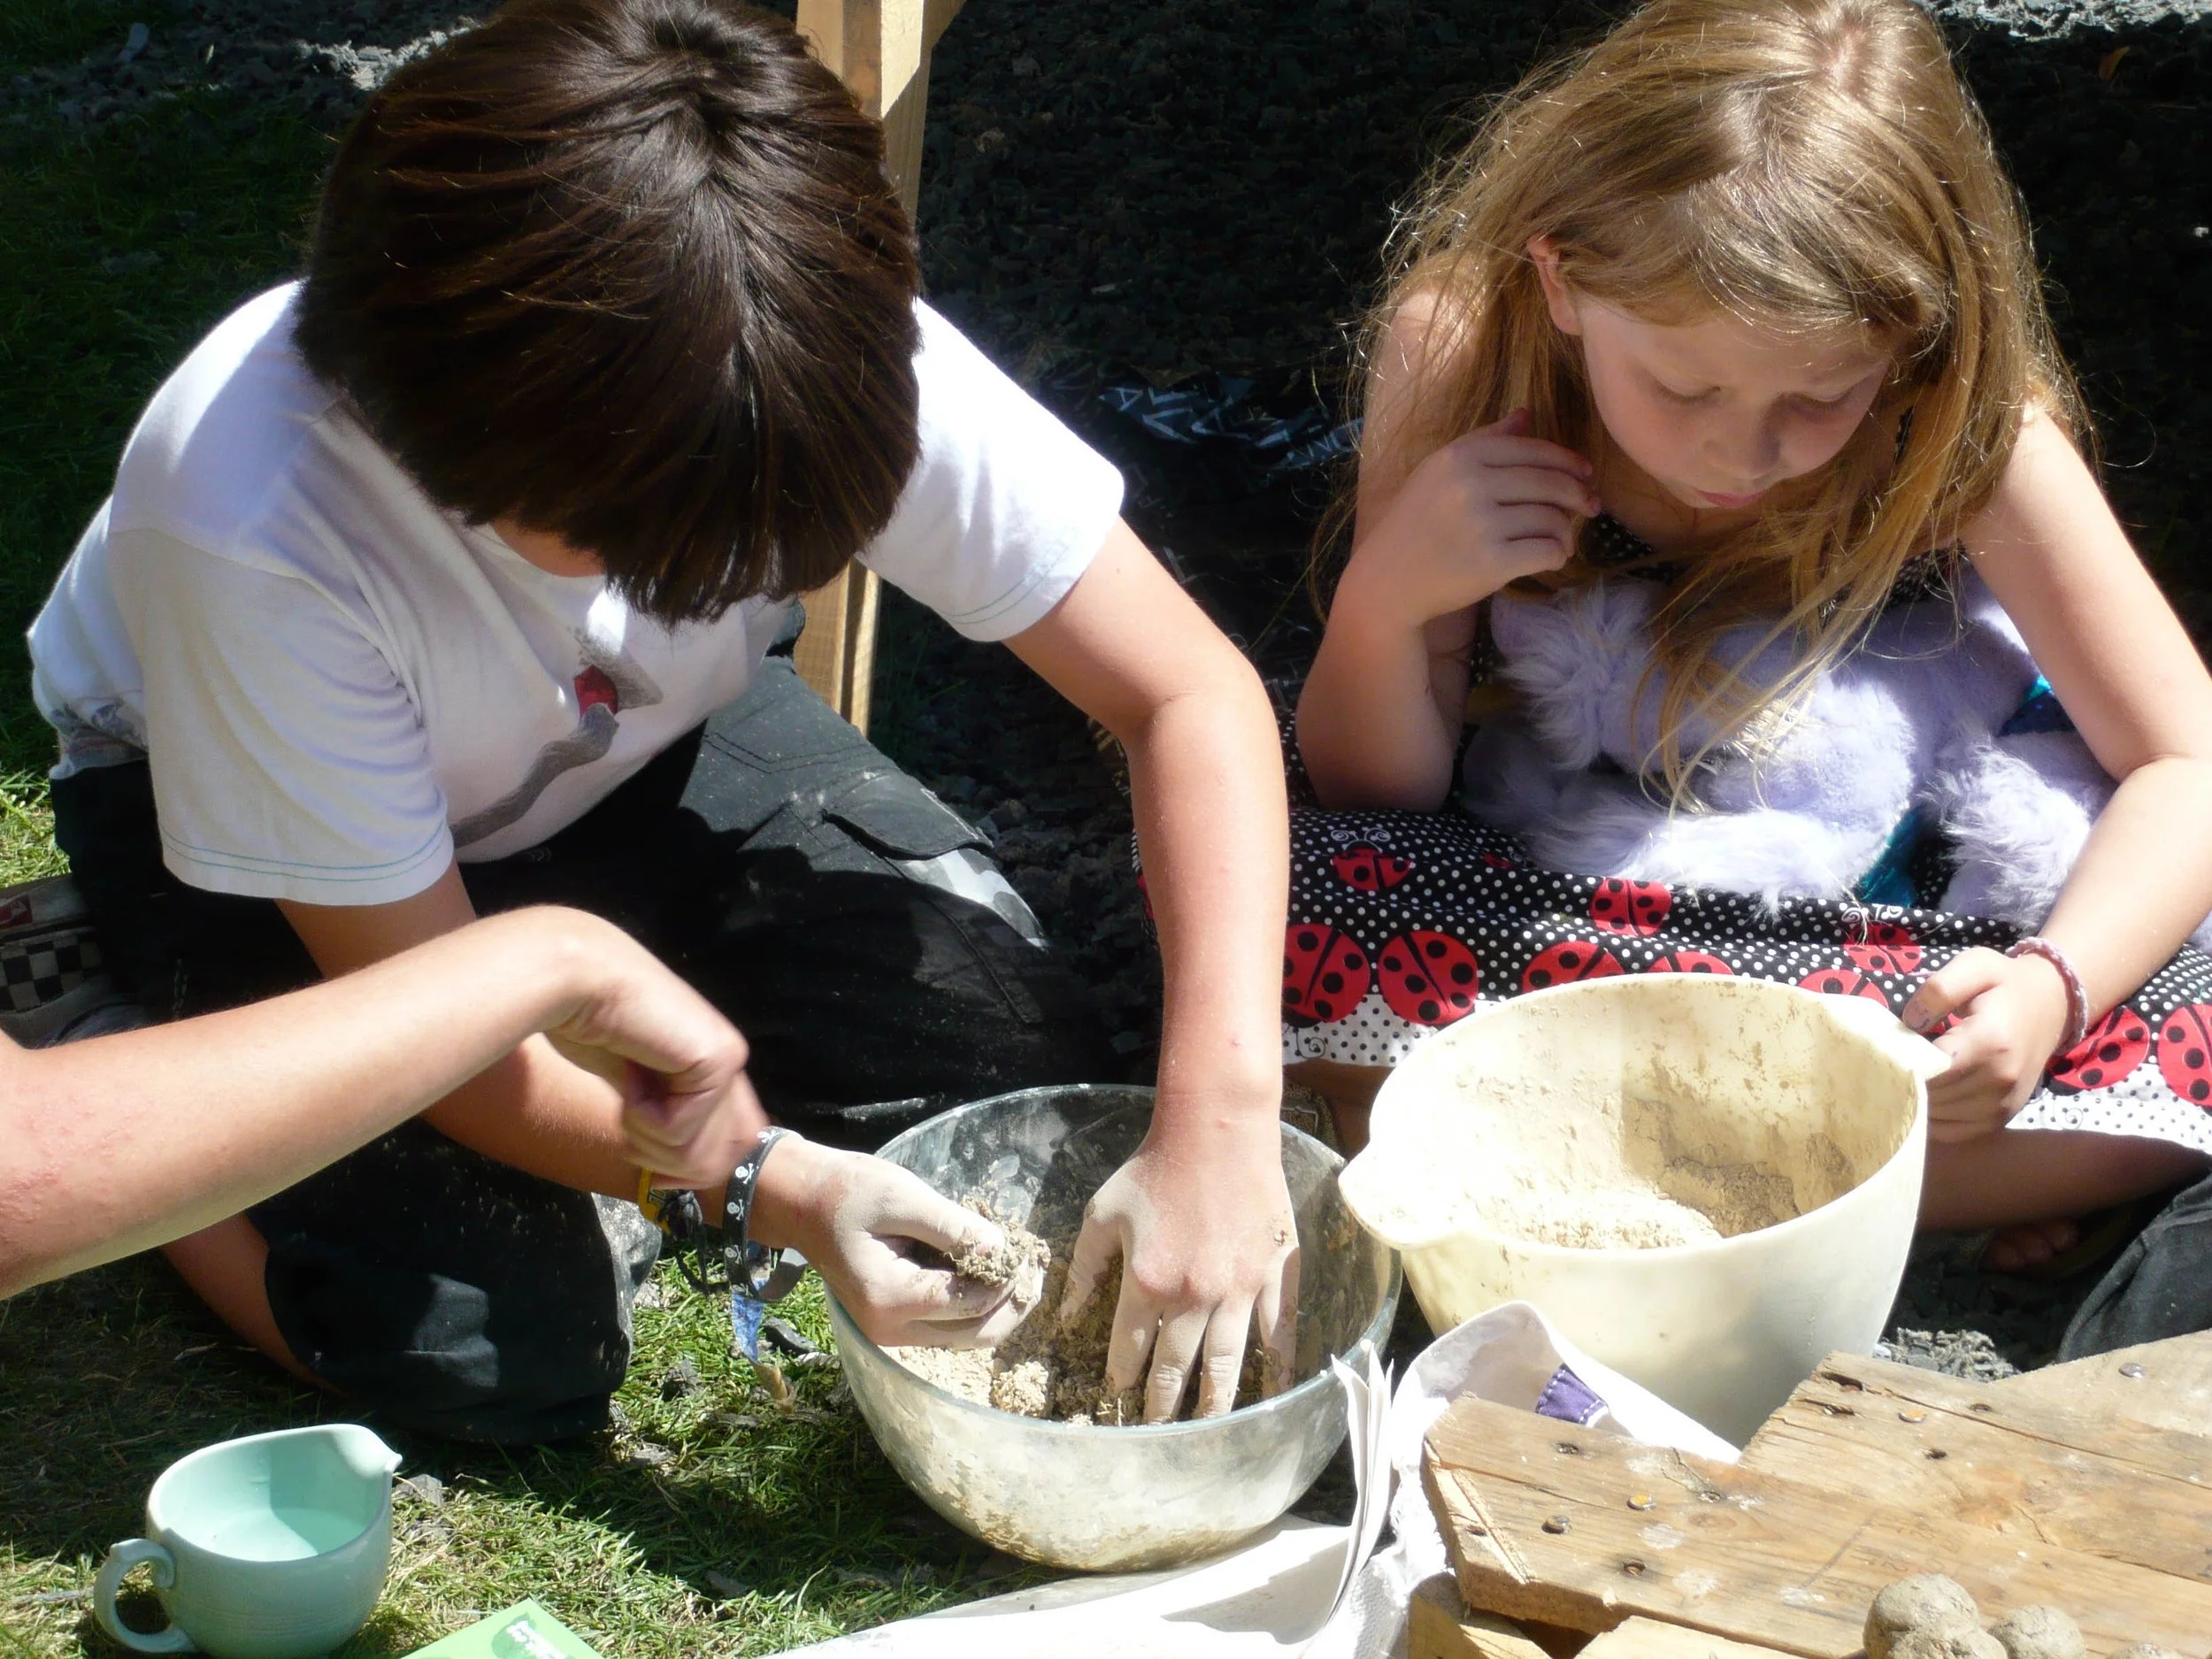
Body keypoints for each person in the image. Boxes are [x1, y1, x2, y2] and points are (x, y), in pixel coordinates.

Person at [27, 0, 1292, 1439]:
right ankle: (97, 1046)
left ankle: (627, 1032)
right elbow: (445, 1021)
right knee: (488, 1347)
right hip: (257, 847)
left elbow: (1187, 691)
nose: (702, 587)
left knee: (1004, 1053)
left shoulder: (791, 329)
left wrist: (1223, 1117)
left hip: (620, 755)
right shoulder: (252, 516)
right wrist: (772, 1189)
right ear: (453, 459)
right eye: (661, 553)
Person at [1288, 0, 2212, 1276]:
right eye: (1682, 387)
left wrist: (2053, 984)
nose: (1741, 449)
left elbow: (2190, 763)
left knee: (2184, 971)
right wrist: (1389, 599)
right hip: (1575, 910)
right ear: (1559, 281)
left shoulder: (1960, 430)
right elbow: (1376, 792)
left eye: (1821, 396)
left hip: (1893, 942)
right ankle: (1863, 1181)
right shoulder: (1463, 363)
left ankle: (1579, 1165)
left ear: (1918, 339)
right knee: (1298, 902)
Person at [0, 904, 1028, 1355]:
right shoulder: (261, 535)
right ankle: (120, 1028)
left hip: (541, 805)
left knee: (988, 1033)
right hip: (283, 853)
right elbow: (20, 1184)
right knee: (472, 1342)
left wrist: (1197, 1146)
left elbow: (1182, 685)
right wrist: (555, 962)